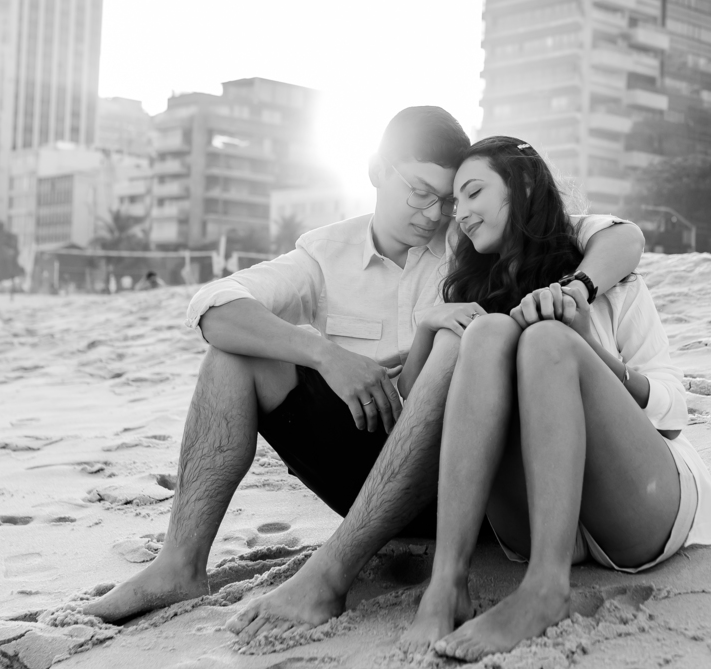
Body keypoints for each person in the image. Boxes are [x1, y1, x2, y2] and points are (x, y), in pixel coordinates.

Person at [83, 107, 646, 636]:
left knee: (456, 342)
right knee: (233, 358)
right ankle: (179, 565)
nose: (431, 214)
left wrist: (576, 287)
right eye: (418, 193)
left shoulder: (472, 236)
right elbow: (214, 308)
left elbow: (619, 234)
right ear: (377, 170)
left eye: (443, 201)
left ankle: (330, 575)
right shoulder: (326, 253)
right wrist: (325, 354)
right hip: (363, 467)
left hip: (464, 476)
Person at [397, 136, 711, 660]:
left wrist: (588, 346)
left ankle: (545, 589)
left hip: (637, 508)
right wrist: (427, 331)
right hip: (533, 520)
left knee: (550, 339)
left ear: (524, 185)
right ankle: (447, 582)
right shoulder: (466, 293)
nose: (459, 213)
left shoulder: (605, 278)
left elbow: (673, 410)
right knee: (485, 335)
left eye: (474, 192)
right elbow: (419, 414)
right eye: (454, 203)